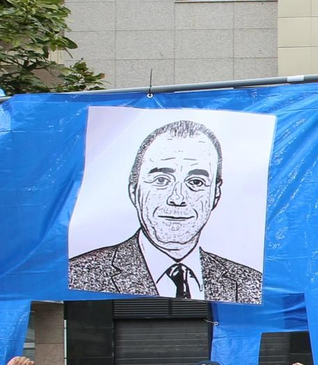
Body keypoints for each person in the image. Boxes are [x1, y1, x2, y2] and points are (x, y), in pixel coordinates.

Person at [69, 118, 264, 302]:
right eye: (161, 180)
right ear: (134, 190)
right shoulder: (78, 275)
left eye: (196, 182)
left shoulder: (251, 285)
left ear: (215, 194)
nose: (177, 198)